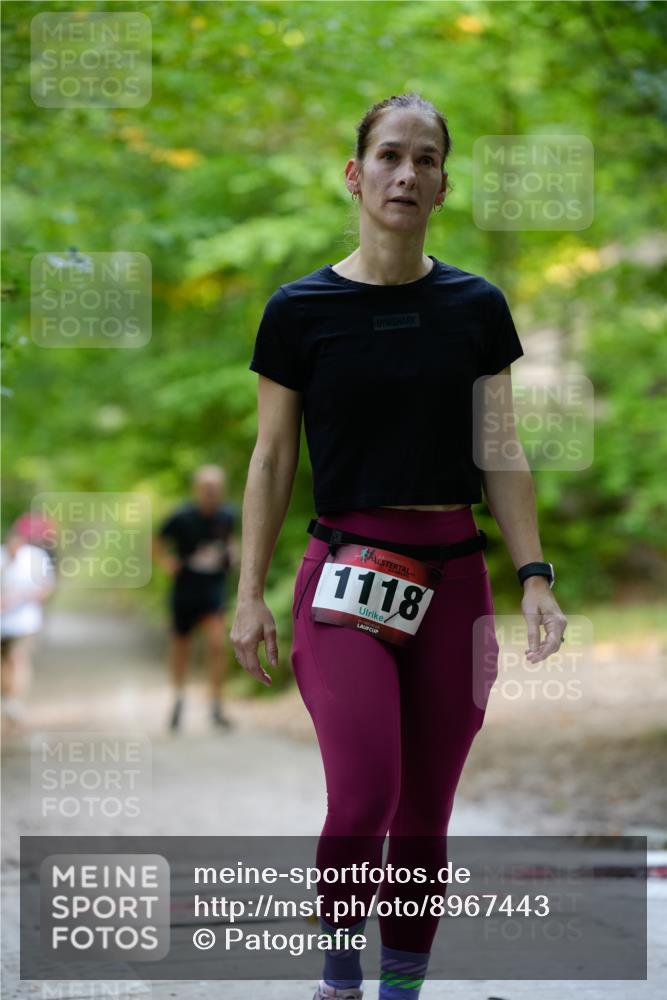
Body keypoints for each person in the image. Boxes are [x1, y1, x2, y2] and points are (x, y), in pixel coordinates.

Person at [231, 93, 567, 1000]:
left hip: (455, 579)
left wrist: (534, 575)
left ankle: (400, 991)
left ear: (443, 185)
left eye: (425, 159)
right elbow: (271, 460)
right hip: (344, 573)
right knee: (366, 794)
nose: (405, 173)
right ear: (355, 173)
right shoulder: (298, 311)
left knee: (423, 815)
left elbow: (501, 450)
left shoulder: (475, 307)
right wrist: (249, 592)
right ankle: (339, 977)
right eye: (388, 155)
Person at [155, 464, 239, 732]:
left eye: (216, 488)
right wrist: (166, 563)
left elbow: (231, 541)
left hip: (213, 589)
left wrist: (233, 554)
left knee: (217, 644)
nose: (211, 493)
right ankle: (178, 698)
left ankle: (216, 704)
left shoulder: (228, 515)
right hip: (185, 590)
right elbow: (156, 541)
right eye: (207, 488)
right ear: (197, 489)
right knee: (181, 645)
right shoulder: (181, 517)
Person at [1, 518, 56, 726]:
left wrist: (25, 596)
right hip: (3, 622)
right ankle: (7, 698)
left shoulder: (36, 558)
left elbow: (46, 587)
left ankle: (15, 701)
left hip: (25, 622)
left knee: (17, 658)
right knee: (4, 662)